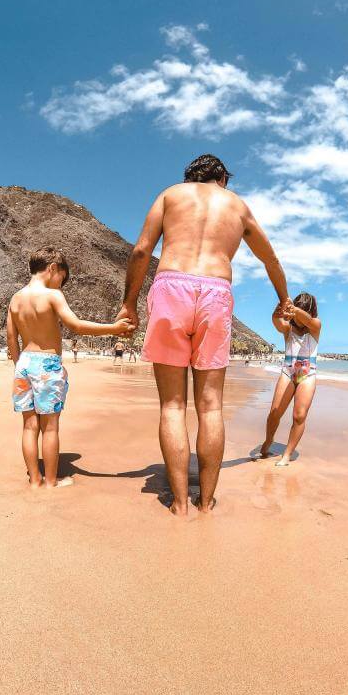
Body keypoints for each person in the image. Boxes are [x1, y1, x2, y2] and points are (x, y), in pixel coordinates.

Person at [117, 154, 289, 515]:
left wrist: (129, 303)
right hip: (216, 292)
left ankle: (179, 504)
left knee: (172, 405)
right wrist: (284, 300)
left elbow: (141, 250)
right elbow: (270, 259)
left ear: (190, 176)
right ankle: (206, 503)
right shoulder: (237, 206)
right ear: (222, 178)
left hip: (171, 287)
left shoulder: (171, 195)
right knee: (211, 406)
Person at [7, 247, 134, 490]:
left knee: (29, 426)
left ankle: (35, 480)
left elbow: (11, 338)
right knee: (50, 426)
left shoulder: (15, 298)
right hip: (47, 363)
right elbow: (75, 325)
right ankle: (52, 481)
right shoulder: (52, 296)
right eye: (61, 279)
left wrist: (18, 365)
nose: (60, 286)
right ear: (53, 268)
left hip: (23, 363)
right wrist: (114, 328)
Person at [259, 293, 321, 467]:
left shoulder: (315, 326)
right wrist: (279, 309)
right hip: (288, 372)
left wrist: (295, 310)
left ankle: (286, 455)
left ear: (308, 310)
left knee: (299, 416)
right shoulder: (288, 329)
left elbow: (307, 320)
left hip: (307, 375)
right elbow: (276, 320)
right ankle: (268, 441)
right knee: (274, 413)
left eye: (301, 309)